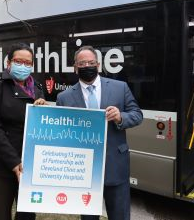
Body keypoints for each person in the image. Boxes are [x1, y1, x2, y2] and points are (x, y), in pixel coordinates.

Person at [56, 46, 143, 220]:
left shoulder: (120, 87)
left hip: (116, 166)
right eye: (82, 63)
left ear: (98, 65)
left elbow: (137, 115)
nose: (87, 66)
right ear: (75, 67)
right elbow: (61, 133)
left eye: (91, 62)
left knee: (120, 216)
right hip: (83, 172)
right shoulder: (64, 97)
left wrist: (120, 117)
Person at [0, 42, 46, 220]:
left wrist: (44, 110)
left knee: (27, 215)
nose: (23, 66)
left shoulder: (38, 89)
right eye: (19, 61)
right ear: (8, 63)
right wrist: (13, 161)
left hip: (28, 166)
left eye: (28, 63)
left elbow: (39, 126)